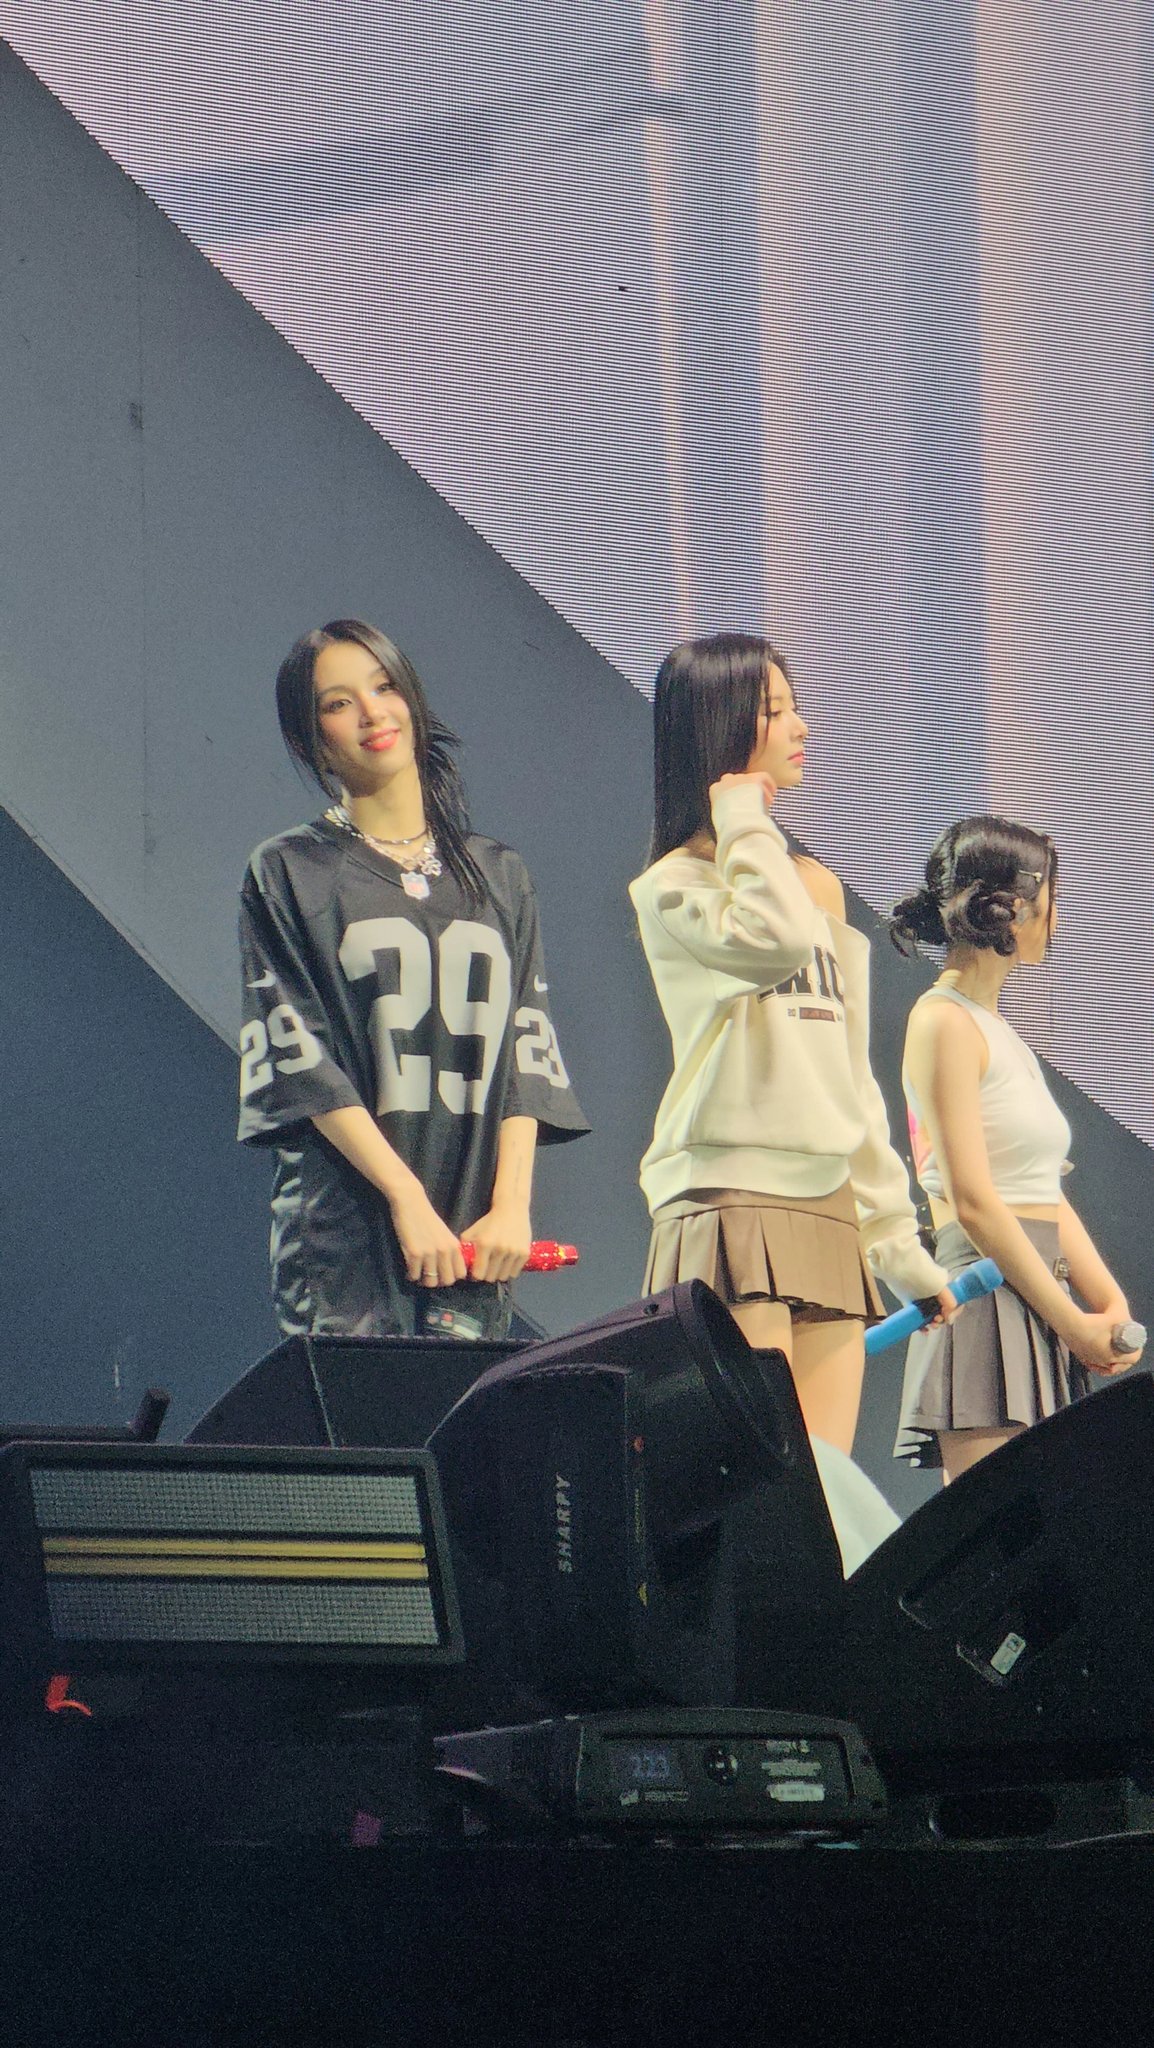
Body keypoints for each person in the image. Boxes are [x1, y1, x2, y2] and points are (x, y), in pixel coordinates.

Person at [629, 633, 953, 1456]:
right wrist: (742, 814)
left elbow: (847, 1073)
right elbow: (772, 943)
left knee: (828, 1488)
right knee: (759, 1489)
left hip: (826, 1206)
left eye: (794, 706)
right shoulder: (673, 885)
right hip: (730, 1199)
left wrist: (895, 1239)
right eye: (775, 711)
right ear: (723, 726)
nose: (802, 727)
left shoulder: (816, 885)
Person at [237, 618, 588, 1340]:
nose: (371, 713)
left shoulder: (499, 875)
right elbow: (302, 1059)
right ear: (312, 741)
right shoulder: (289, 871)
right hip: (348, 1243)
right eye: (339, 703)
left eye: (384, 686)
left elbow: (525, 1047)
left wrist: (512, 1205)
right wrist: (405, 1198)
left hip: (476, 1240)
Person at [890, 815, 1140, 1480]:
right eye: (1052, 897)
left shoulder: (997, 1030)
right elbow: (974, 1200)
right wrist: (1073, 1322)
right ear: (1014, 906)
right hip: (988, 1299)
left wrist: (1107, 1303)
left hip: (1038, 1297)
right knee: (1004, 1531)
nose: (1057, 917)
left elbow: (1039, 1190)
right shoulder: (943, 1022)